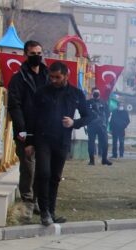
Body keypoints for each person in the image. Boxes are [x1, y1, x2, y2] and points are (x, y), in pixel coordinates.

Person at [26, 62, 95, 225]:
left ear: (66, 75)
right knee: (43, 173)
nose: (54, 80)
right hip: (42, 138)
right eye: (51, 77)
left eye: (58, 77)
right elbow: (31, 117)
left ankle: (51, 211)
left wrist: (74, 123)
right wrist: (29, 141)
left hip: (62, 140)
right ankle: (43, 212)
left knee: (55, 177)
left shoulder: (76, 94)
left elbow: (89, 116)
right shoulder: (42, 92)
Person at [8, 40, 48, 214]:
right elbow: (14, 106)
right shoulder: (18, 78)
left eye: (39, 53)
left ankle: (38, 200)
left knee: (43, 168)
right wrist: (21, 129)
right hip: (26, 129)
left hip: (44, 129)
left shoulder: (48, 75)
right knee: (28, 167)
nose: (37, 57)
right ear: (26, 55)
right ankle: (28, 200)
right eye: (33, 54)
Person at [86, 87, 111, 165]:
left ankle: (104, 159)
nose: (96, 94)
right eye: (95, 93)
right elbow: (84, 113)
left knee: (105, 143)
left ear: (100, 94)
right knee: (91, 143)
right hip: (91, 126)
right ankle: (91, 160)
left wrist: (105, 123)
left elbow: (108, 113)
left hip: (102, 126)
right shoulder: (88, 103)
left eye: (98, 93)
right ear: (92, 93)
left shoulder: (103, 102)